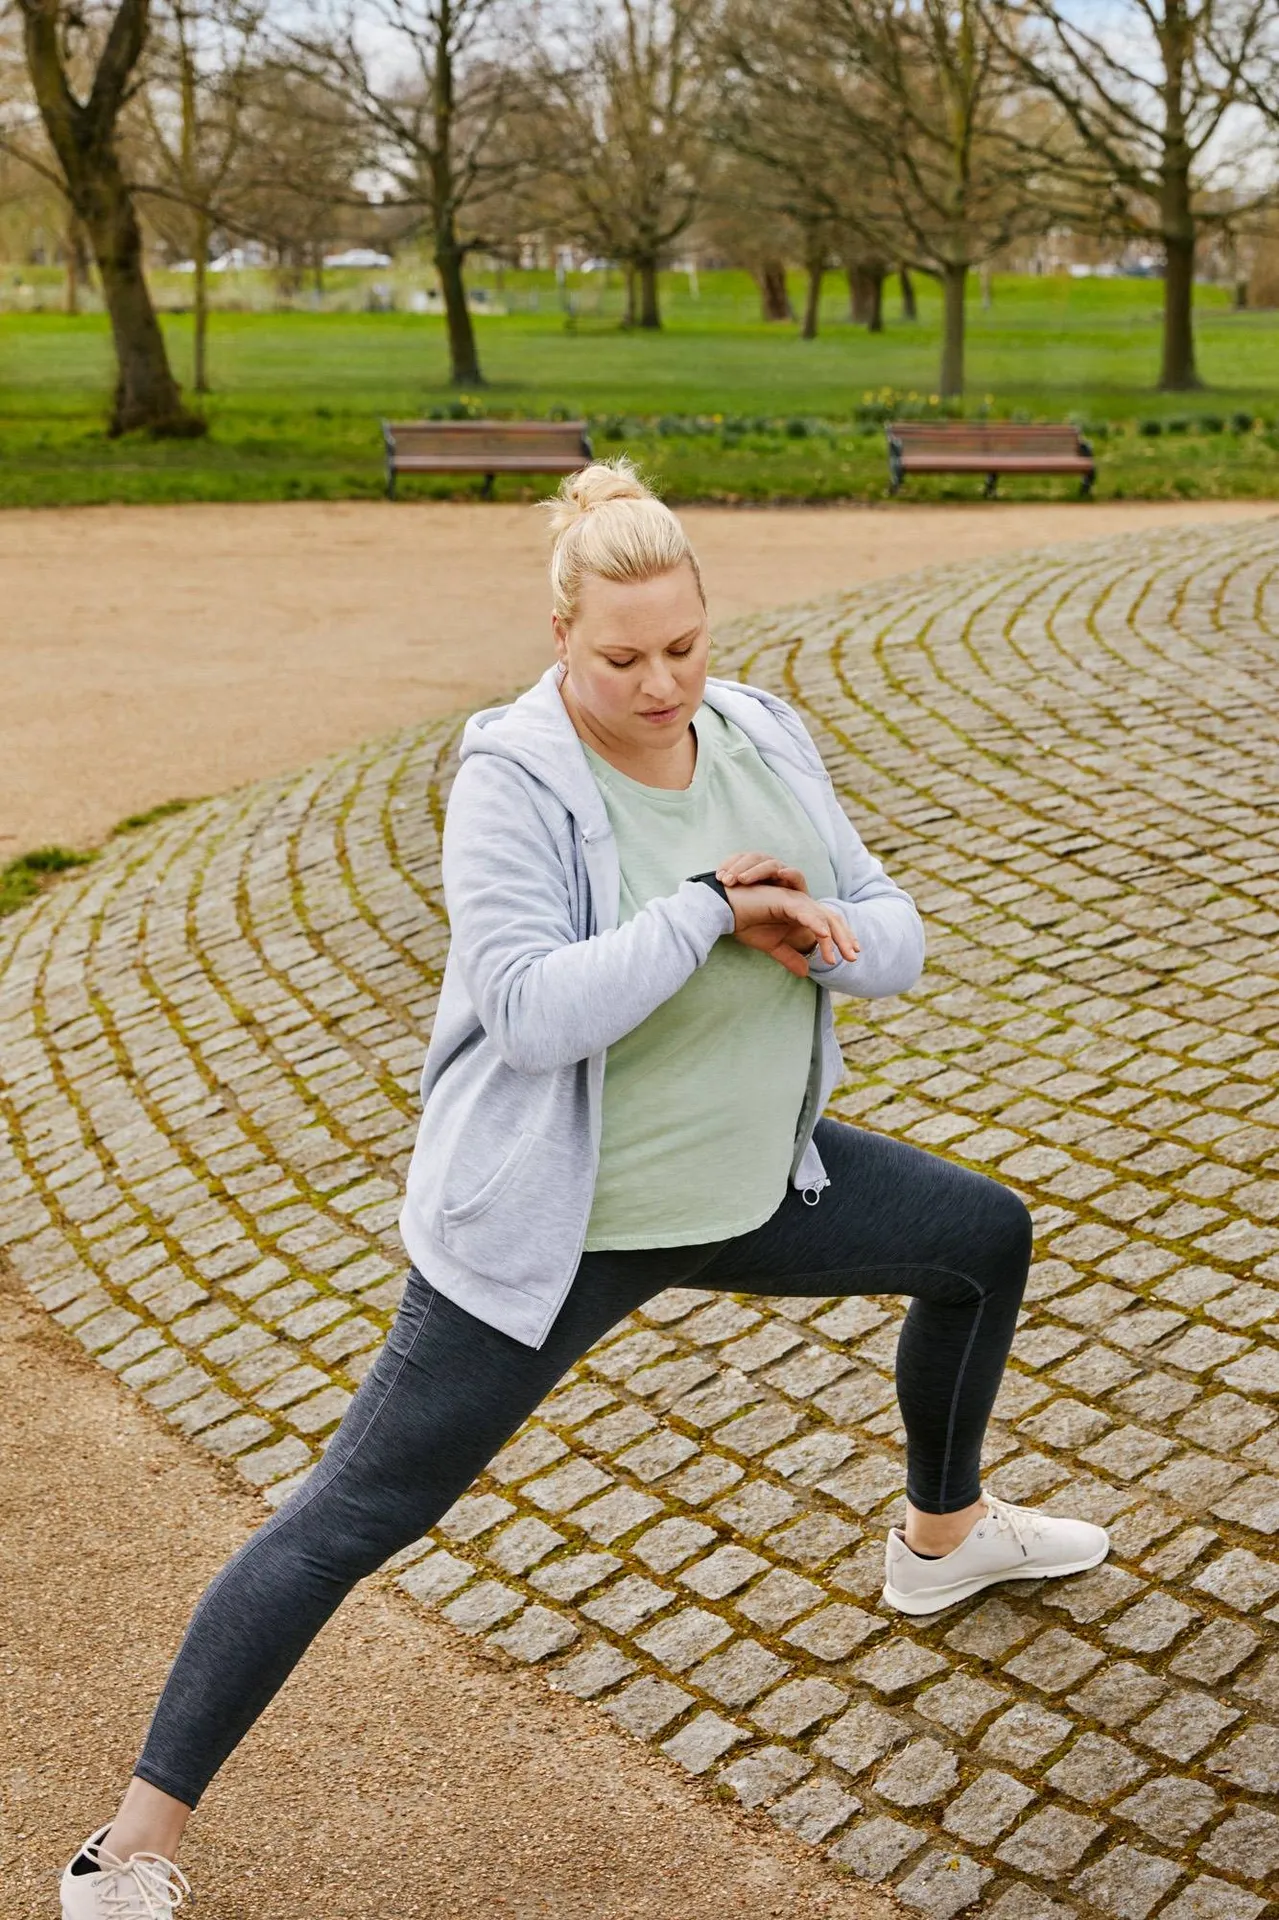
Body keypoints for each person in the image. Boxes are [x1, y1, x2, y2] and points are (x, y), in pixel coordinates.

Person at [60, 457, 1108, 1917]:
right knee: (351, 1515)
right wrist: (699, 915)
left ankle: (938, 1543)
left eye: (683, 647)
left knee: (980, 1237)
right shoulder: (510, 777)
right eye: (622, 657)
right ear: (560, 633)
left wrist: (824, 939)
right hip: (559, 1230)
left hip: (756, 1187)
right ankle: (129, 1854)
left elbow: (892, 922)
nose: (662, 682)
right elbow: (534, 1007)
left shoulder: (757, 732)